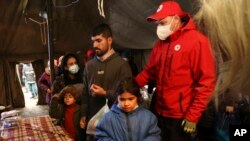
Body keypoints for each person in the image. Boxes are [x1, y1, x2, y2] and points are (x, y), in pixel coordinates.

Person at [135, 1, 216, 141]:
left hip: (180, 117)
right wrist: (131, 85)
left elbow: (206, 83)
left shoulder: (198, 42)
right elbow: (150, 72)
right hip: (158, 112)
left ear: (176, 19)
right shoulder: (160, 44)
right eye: (158, 23)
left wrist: (193, 116)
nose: (159, 27)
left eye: (163, 22)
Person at [80, 23, 132, 140]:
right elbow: (85, 93)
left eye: (99, 40)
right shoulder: (89, 65)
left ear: (109, 40)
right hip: (93, 124)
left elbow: (128, 95)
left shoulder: (122, 65)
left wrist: (105, 93)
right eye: (93, 41)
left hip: (116, 124)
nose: (95, 45)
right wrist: (83, 114)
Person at [95, 78, 161, 141]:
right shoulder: (107, 118)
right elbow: (100, 137)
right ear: (117, 97)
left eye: (130, 99)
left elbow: (154, 136)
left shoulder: (149, 117)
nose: (126, 103)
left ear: (137, 97)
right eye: (122, 99)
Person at [50, 53, 83, 119]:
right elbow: (56, 103)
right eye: (71, 64)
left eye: (75, 63)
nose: (74, 66)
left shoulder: (83, 79)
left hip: (80, 116)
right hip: (65, 117)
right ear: (65, 67)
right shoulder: (58, 82)